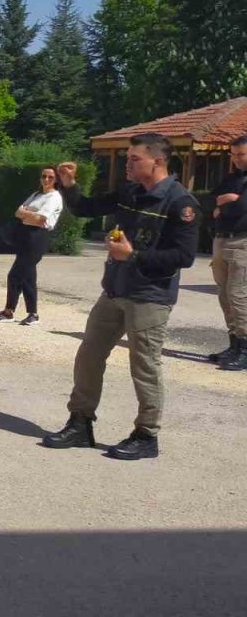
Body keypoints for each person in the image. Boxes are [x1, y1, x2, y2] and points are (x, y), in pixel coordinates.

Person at [42, 134, 199, 460]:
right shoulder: (129, 191)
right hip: (114, 289)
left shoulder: (180, 203)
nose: (127, 164)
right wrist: (70, 185)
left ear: (157, 161)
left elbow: (184, 256)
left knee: (144, 367)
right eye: (127, 158)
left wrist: (134, 257)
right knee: (89, 355)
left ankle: (146, 435)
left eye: (134, 159)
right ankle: (80, 423)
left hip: (150, 296)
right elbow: (87, 208)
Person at [0, 168, 64, 326]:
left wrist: (28, 213)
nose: (46, 179)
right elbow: (18, 212)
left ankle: (9, 311)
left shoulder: (54, 197)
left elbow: (41, 219)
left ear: (56, 180)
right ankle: (33, 314)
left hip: (37, 237)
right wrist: (30, 214)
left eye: (50, 177)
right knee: (28, 276)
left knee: (15, 275)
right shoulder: (36, 195)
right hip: (25, 235)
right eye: (43, 176)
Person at [209, 135, 247, 371]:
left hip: (243, 242)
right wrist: (228, 199)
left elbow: (242, 207)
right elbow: (207, 202)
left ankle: (245, 348)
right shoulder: (231, 179)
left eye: (241, 154)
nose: (236, 159)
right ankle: (234, 343)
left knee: (238, 294)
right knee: (224, 294)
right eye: (233, 154)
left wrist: (228, 204)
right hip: (222, 239)